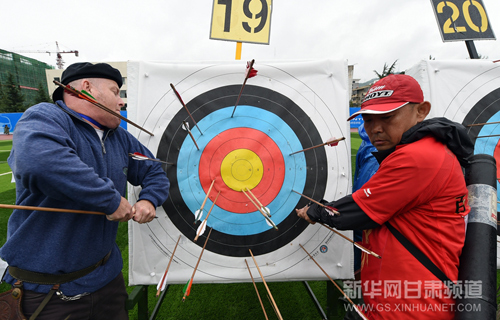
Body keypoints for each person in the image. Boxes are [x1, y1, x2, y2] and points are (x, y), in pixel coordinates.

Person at [0, 62, 170, 319]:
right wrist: (111, 201)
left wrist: (149, 200)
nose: (121, 101)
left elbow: (154, 171)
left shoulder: (120, 137)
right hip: (47, 291)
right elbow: (39, 163)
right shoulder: (46, 117)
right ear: (87, 88)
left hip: (107, 281)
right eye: (115, 91)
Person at [297, 74, 473, 319]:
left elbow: (359, 211)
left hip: (412, 306)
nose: (375, 129)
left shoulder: (418, 156)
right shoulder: (424, 149)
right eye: (368, 120)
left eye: (387, 117)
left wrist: (316, 210)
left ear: (421, 111)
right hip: (400, 297)